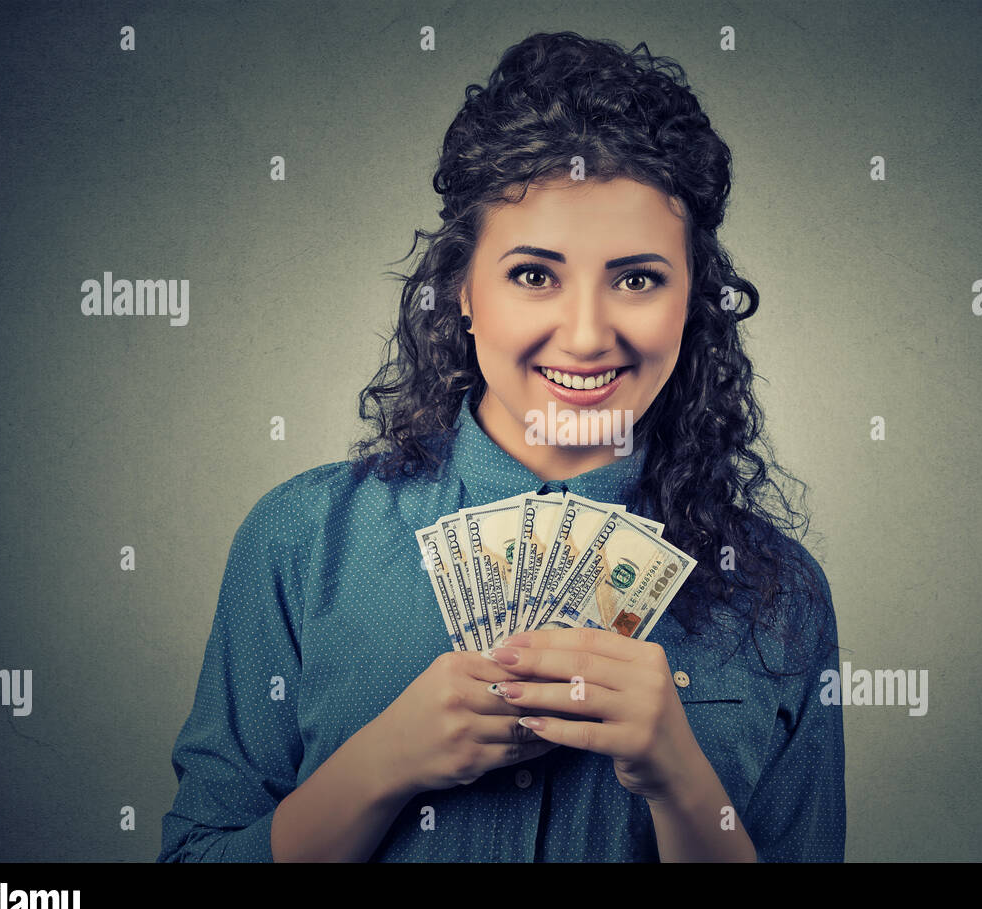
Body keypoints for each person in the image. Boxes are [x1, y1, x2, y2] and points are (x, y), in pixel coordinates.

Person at [158, 30, 844, 863]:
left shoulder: (780, 597)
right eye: (533, 274)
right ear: (464, 292)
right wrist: (383, 763)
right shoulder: (298, 542)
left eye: (637, 278)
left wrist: (681, 779)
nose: (587, 335)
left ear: (691, 301)